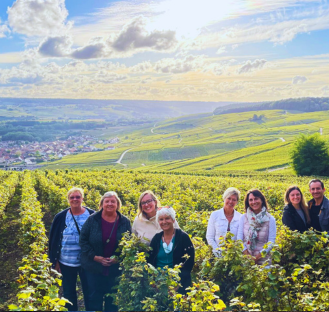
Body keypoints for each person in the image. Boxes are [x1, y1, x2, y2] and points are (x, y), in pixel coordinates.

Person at [79, 191, 131, 312]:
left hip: (114, 269)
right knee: (94, 298)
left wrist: (117, 258)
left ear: (117, 204)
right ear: (102, 204)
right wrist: (95, 257)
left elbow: (128, 244)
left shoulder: (125, 221)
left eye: (113, 201)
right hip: (94, 268)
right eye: (106, 201)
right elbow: (83, 240)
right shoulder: (92, 220)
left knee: (112, 300)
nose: (110, 204)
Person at [49, 187, 94, 311]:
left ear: (82, 198)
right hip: (66, 261)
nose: (75, 199)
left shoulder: (92, 214)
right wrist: (55, 260)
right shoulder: (60, 217)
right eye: (72, 197)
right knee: (68, 292)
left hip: (87, 262)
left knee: (89, 291)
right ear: (68, 199)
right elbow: (53, 239)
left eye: (78, 197)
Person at [148, 206, 194, 294]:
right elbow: (150, 262)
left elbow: (189, 263)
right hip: (159, 283)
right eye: (161, 219)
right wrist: (154, 282)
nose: (164, 222)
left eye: (167, 218)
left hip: (179, 284)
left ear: (173, 220)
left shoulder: (183, 237)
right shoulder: (156, 239)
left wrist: (177, 286)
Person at [237, 189, 276, 265]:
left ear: (261, 200)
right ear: (248, 202)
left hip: (264, 260)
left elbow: (271, 242)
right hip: (245, 259)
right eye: (251, 200)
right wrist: (248, 256)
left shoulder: (270, 219)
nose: (254, 202)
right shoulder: (243, 218)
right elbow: (239, 239)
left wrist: (257, 257)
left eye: (256, 199)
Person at [206, 187, 242, 255]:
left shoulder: (240, 218)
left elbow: (240, 240)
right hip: (216, 255)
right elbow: (210, 237)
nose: (231, 201)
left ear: (237, 202)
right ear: (224, 198)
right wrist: (218, 253)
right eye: (229, 198)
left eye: (234, 200)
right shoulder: (215, 215)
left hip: (234, 256)